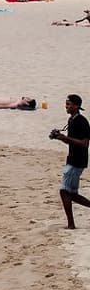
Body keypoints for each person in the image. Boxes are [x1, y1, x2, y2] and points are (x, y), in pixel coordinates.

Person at [50, 94, 90, 229]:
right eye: (66, 104)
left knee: (64, 191)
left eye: (69, 104)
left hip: (77, 161)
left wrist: (63, 138)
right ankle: (71, 224)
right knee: (71, 193)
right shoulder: (72, 120)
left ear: (77, 106)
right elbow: (72, 141)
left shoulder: (82, 121)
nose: (66, 107)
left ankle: (71, 224)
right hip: (73, 159)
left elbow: (84, 144)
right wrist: (59, 136)